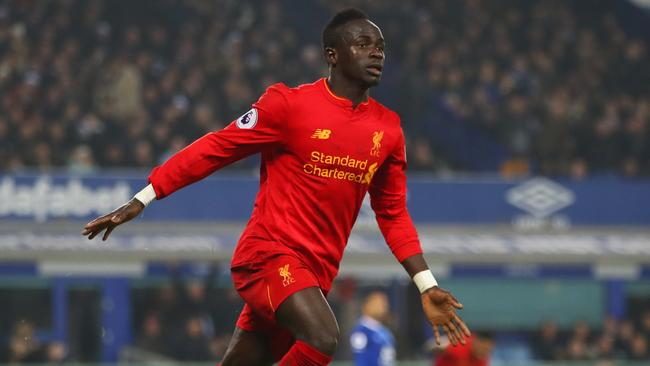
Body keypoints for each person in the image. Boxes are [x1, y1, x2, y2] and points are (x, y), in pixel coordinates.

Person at [83, 8, 470, 365]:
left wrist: (426, 285)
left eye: (381, 46)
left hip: (314, 274)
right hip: (268, 257)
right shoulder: (288, 105)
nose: (376, 53)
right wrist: (144, 197)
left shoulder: (387, 129)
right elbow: (217, 147)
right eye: (363, 44)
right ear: (332, 55)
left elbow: (393, 213)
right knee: (322, 336)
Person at [350, 291, 395, 366]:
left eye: (384, 303)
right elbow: (361, 360)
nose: (383, 306)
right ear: (367, 305)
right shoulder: (361, 331)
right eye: (377, 303)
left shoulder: (385, 331)